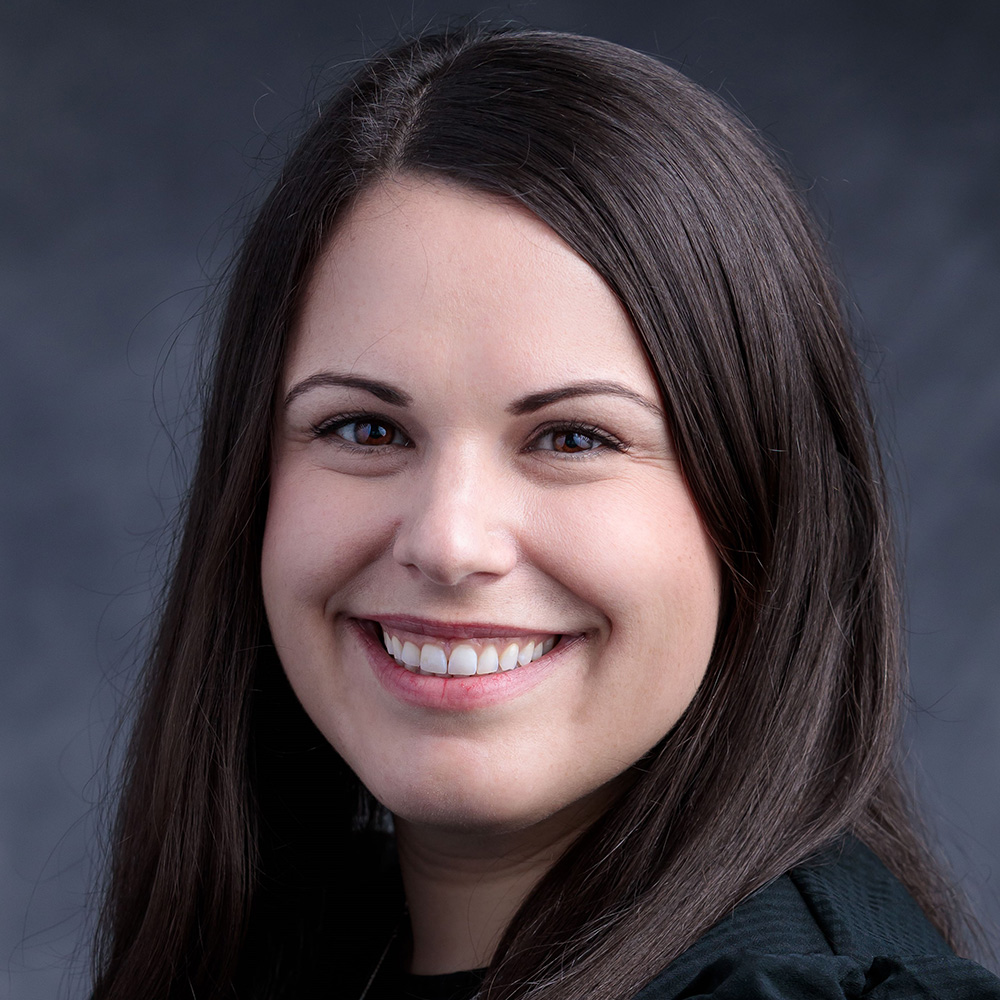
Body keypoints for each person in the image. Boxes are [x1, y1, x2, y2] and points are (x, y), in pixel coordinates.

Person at [89, 24, 1000, 1000]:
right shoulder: (280, 955)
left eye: (572, 437)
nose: (447, 539)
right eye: (363, 428)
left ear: (763, 510)